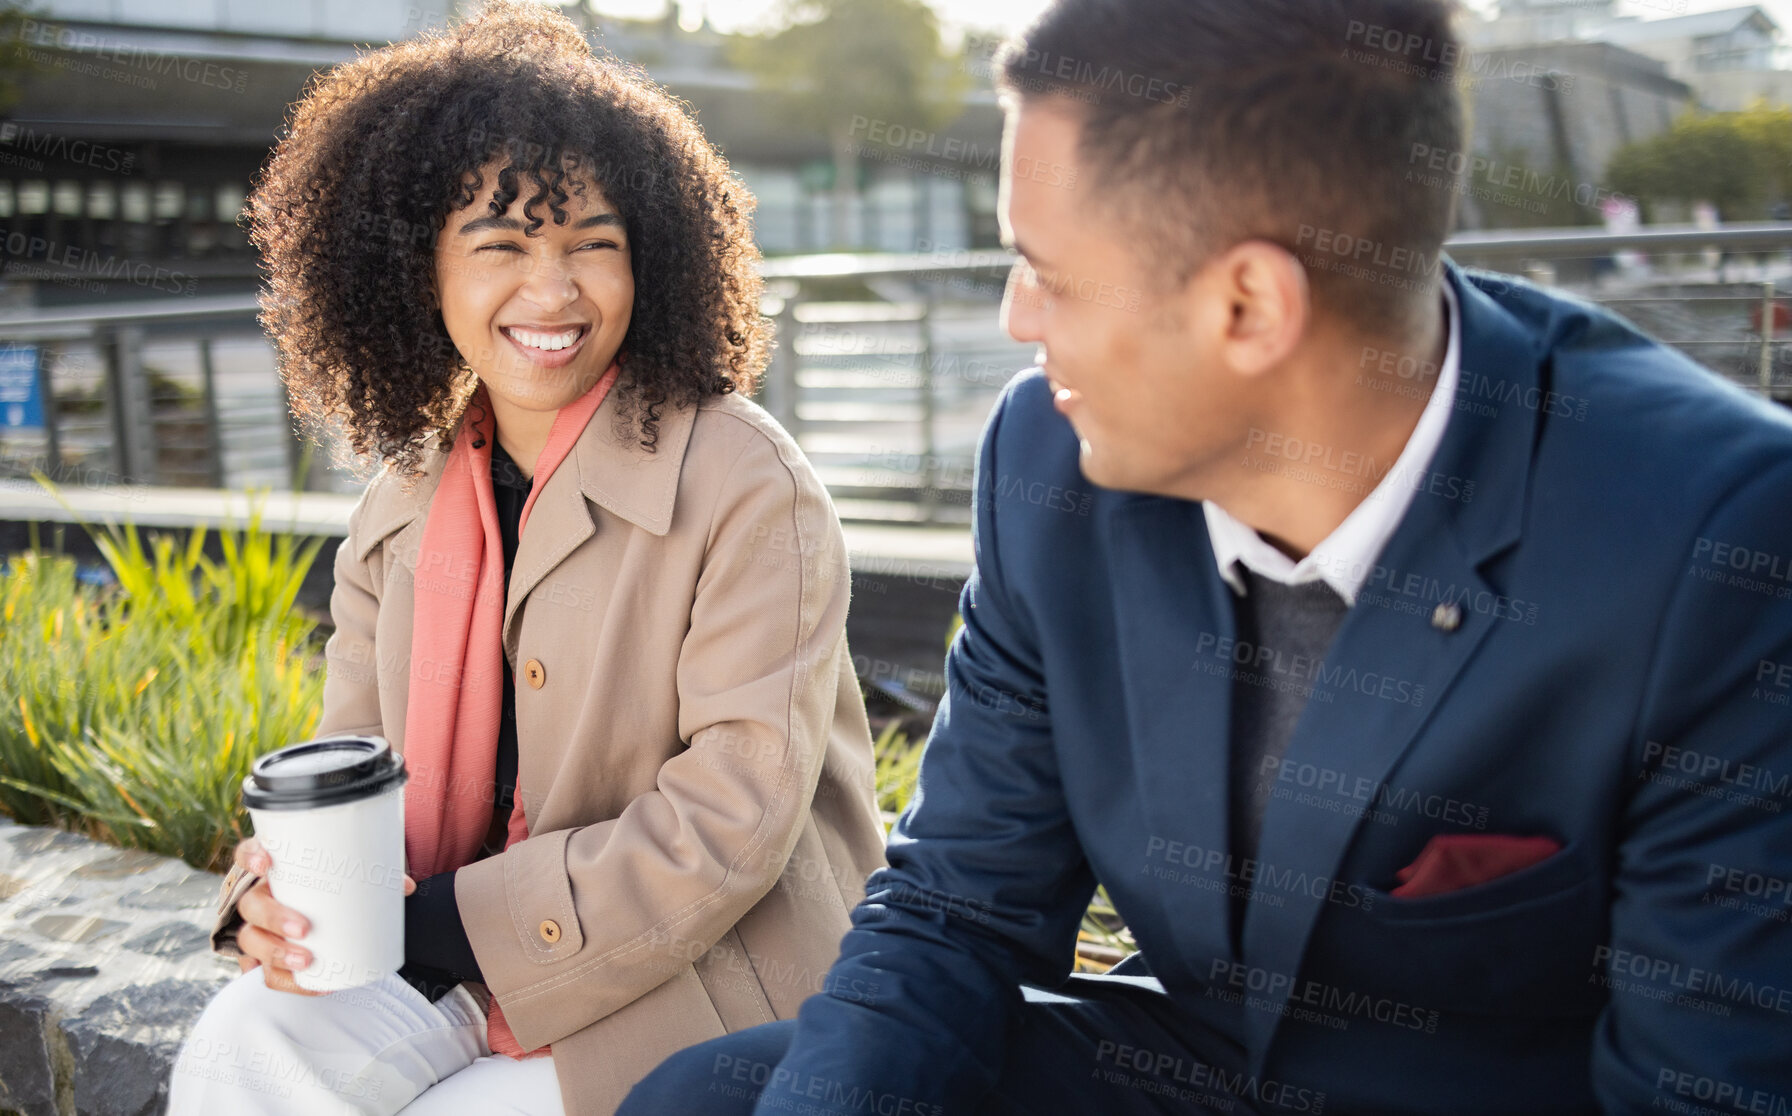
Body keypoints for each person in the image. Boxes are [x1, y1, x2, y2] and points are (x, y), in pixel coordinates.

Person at [621, 0, 1792, 1113]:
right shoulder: (1051, 456)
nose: (1018, 320)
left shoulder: (1718, 538)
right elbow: (958, 910)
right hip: (1198, 1069)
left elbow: (1702, 1087)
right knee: (714, 1099)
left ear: (1247, 306)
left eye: (1049, 272)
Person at [166, 4, 884, 1113]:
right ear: (420, 272)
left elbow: (736, 815)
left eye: (593, 244)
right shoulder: (399, 507)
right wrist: (278, 896)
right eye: (500, 246)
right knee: (244, 1043)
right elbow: (350, 773)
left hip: (708, 978)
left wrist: (443, 928)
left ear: (652, 257)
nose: (553, 293)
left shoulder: (747, 480)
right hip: (466, 954)